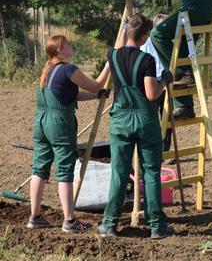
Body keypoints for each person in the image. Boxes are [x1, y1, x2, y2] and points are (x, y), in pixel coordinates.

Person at [97, 15, 174, 239]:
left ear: (127, 31)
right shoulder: (147, 60)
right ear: (144, 37)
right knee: (151, 172)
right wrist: (164, 81)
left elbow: (120, 47)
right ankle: (156, 226)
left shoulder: (112, 56)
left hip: (120, 120)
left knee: (119, 173)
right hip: (145, 121)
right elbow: (151, 94)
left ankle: (109, 223)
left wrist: (125, 26)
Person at [27, 35, 110, 233]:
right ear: (61, 49)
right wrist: (110, 64)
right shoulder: (68, 69)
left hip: (41, 122)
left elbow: (70, 96)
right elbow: (96, 84)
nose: (72, 46)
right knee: (64, 171)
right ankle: (70, 221)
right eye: (69, 44)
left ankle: (34, 217)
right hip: (59, 124)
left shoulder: (48, 69)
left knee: (39, 168)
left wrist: (94, 97)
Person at [140, 13, 172, 151]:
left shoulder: (168, 42)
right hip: (152, 81)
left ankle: (165, 147)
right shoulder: (146, 42)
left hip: (166, 81)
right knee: (151, 117)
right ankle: (153, 147)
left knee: (168, 117)